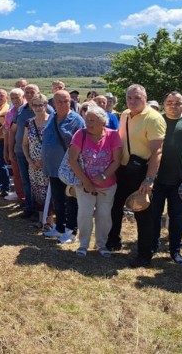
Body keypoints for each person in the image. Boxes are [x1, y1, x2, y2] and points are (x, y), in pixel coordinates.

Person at [106, 84, 166, 263]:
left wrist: (149, 179)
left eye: (137, 98)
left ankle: (144, 254)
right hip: (123, 170)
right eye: (129, 98)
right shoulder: (124, 114)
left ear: (145, 98)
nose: (132, 101)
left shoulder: (154, 118)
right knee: (115, 207)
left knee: (143, 213)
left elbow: (157, 152)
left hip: (142, 171)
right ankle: (114, 241)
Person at [148, 92, 182, 265]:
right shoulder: (156, 120)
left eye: (178, 102)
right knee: (154, 214)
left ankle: (175, 250)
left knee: (177, 216)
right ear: (164, 104)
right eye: (169, 102)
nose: (173, 105)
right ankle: (153, 244)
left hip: (180, 179)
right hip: (156, 179)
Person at [67, 105, 122, 257]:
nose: (88, 123)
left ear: (102, 121)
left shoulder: (113, 135)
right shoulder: (80, 134)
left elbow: (116, 161)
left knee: (104, 215)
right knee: (84, 214)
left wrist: (103, 176)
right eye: (87, 120)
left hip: (107, 185)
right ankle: (83, 245)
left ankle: (101, 245)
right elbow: (72, 160)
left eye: (92, 120)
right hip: (84, 185)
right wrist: (86, 182)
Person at [41, 90, 85, 244]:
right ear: (53, 103)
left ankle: (71, 231)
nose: (63, 104)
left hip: (68, 169)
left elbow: (81, 145)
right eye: (59, 101)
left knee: (71, 201)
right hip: (53, 168)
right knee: (58, 200)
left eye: (66, 101)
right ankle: (59, 227)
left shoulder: (77, 120)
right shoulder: (52, 116)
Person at [23, 93, 51, 222]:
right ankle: (41, 219)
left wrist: (44, 160)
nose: (38, 108)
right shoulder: (29, 123)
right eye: (35, 105)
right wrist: (29, 160)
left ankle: (49, 220)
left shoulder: (52, 121)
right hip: (33, 165)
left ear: (46, 105)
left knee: (49, 192)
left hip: (48, 164)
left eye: (41, 105)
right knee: (37, 191)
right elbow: (25, 144)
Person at [13, 85, 40, 218]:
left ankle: (39, 209)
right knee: (26, 180)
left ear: (38, 93)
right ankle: (29, 206)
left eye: (32, 92)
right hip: (20, 150)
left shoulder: (45, 108)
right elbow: (14, 129)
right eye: (27, 92)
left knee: (38, 182)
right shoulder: (21, 110)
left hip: (36, 154)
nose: (29, 94)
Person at [4, 88, 25, 202]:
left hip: (27, 147)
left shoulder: (28, 109)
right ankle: (19, 195)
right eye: (12, 98)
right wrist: (6, 150)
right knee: (16, 173)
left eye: (17, 97)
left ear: (23, 97)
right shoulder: (9, 113)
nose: (15, 100)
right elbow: (7, 132)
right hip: (15, 147)